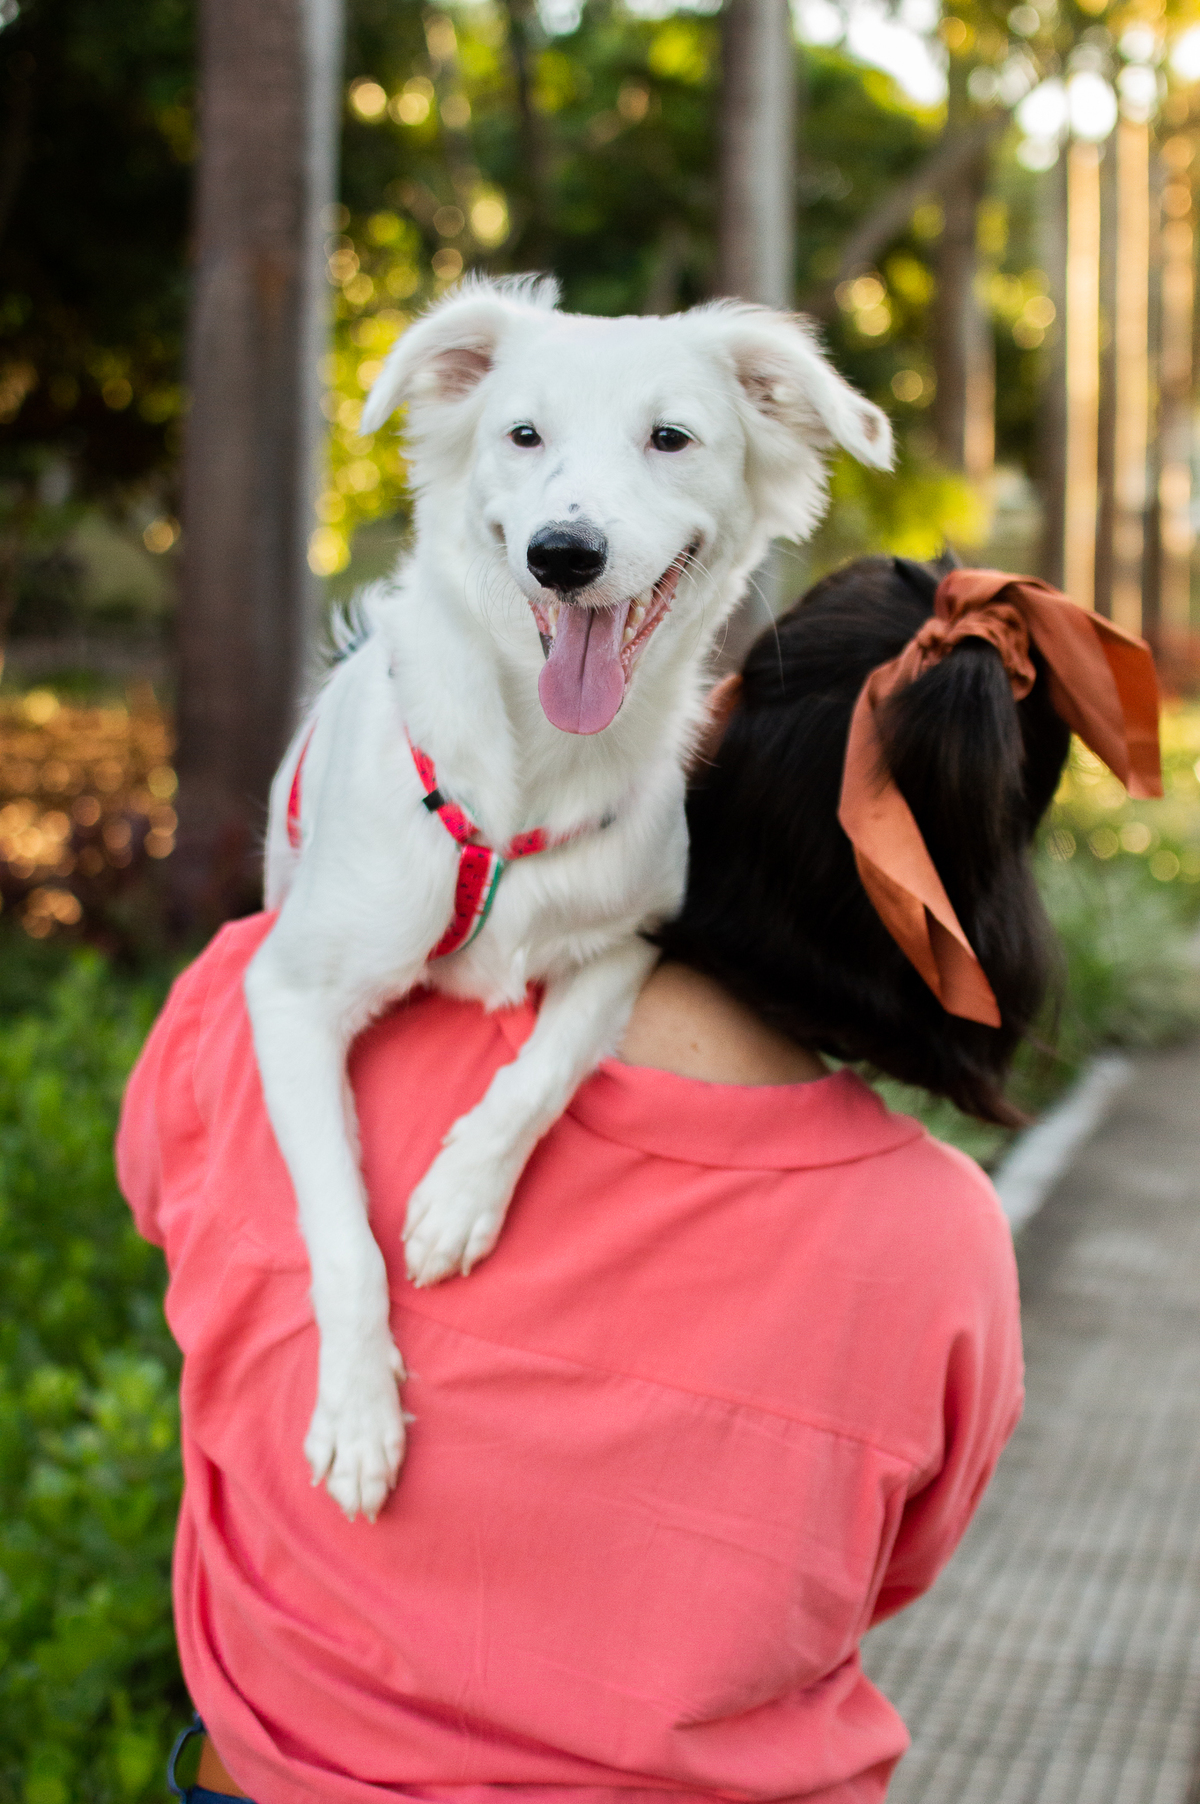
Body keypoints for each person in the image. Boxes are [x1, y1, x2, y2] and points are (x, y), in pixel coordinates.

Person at [120, 556, 1160, 1803]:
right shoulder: (937, 1243)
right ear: (978, 892)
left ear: (697, 731)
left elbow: (175, 1223)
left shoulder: (279, 1010)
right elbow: (887, 1567)